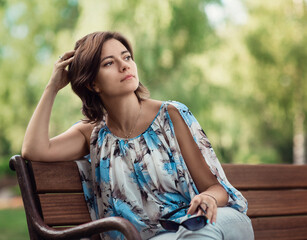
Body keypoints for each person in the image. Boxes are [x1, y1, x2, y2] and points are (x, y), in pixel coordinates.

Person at [22, 31, 254, 240]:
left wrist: (208, 200)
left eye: (127, 57)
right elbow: (33, 150)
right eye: (109, 63)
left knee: (198, 232)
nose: (124, 66)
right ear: (93, 84)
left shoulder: (170, 115)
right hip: (160, 238)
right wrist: (52, 86)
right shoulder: (92, 134)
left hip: (213, 223)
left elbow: (216, 188)